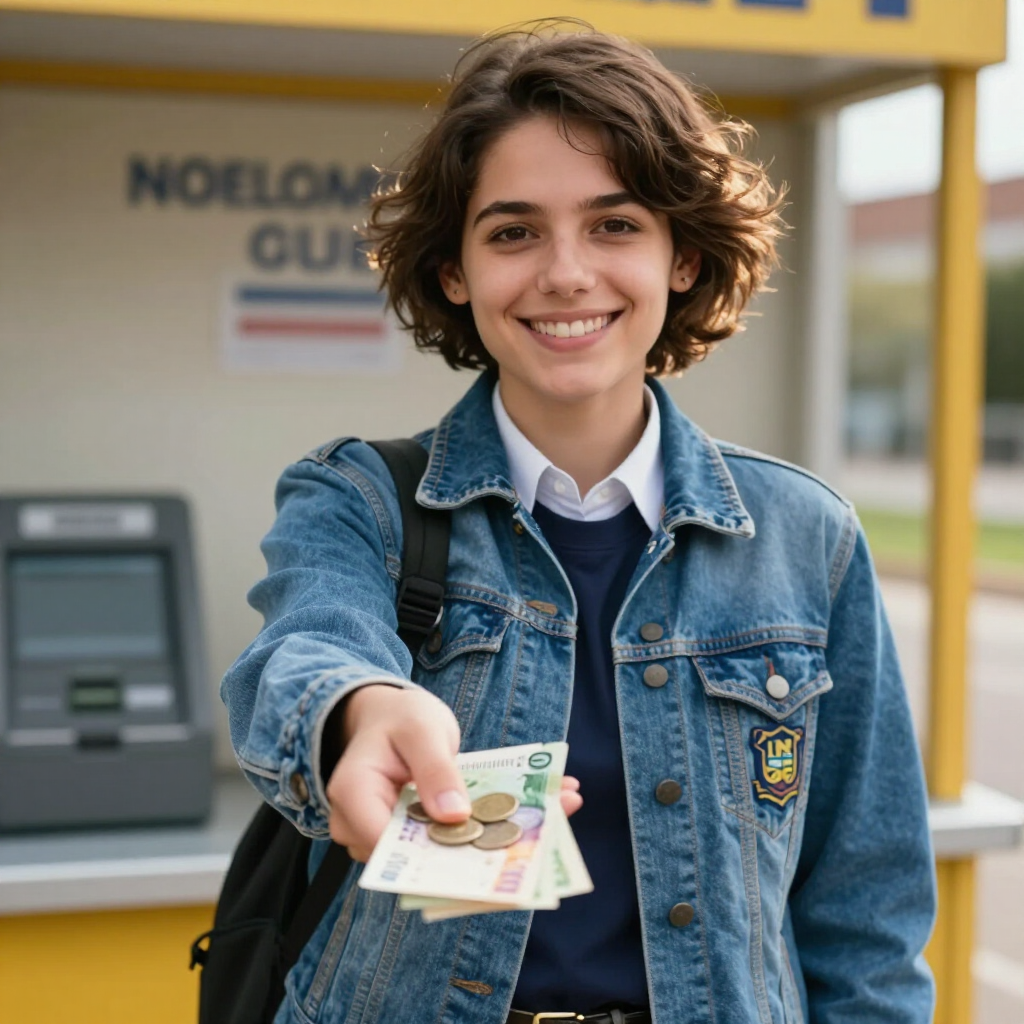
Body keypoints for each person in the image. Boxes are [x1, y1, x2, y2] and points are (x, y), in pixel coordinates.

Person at [221, 24, 936, 1024]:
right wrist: (359, 710)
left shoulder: (804, 536)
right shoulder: (358, 499)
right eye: (512, 231)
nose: (565, 272)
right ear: (453, 272)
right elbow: (305, 647)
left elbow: (866, 911)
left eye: (613, 225)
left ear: (682, 256)